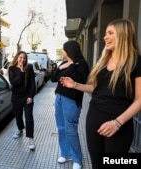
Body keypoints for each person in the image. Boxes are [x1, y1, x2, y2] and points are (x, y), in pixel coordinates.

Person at [60, 18, 141, 169]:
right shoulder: (104, 61)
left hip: (118, 126)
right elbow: (95, 89)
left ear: (123, 35)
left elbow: (140, 100)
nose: (105, 37)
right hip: (93, 120)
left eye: (110, 33)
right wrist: (75, 85)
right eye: (105, 33)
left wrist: (117, 123)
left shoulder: (135, 62)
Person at [51, 40, 89, 169]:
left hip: (72, 100)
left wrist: (72, 65)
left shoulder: (82, 64)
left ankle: (77, 159)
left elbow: (79, 81)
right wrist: (60, 67)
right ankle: (65, 153)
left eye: (64, 49)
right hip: (59, 98)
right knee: (61, 127)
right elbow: (53, 78)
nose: (62, 51)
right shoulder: (63, 63)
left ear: (70, 50)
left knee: (71, 129)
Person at [8, 51, 36, 150]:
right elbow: (14, 82)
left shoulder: (29, 68)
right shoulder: (11, 69)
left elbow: (32, 84)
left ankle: (30, 138)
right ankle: (20, 130)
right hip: (16, 97)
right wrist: (21, 71)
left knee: (29, 117)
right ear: (17, 58)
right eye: (20, 57)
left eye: (24, 58)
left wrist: (31, 96)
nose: (22, 60)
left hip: (27, 97)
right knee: (18, 116)